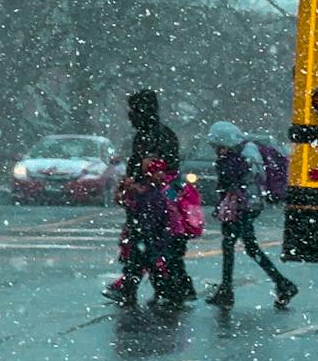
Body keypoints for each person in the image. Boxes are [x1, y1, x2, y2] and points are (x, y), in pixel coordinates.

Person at [104, 89, 194, 305]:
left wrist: (135, 184)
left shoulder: (150, 136)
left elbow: (154, 172)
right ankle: (171, 287)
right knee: (155, 247)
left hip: (152, 204)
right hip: (157, 204)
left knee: (144, 246)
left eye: (133, 111)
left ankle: (147, 287)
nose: (130, 116)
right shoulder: (160, 133)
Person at [202, 120, 299, 311]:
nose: (216, 150)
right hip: (250, 205)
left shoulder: (235, 158)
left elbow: (231, 181)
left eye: (217, 146)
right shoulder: (250, 151)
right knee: (247, 246)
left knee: (232, 245)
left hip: (240, 206)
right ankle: (281, 284)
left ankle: (230, 290)